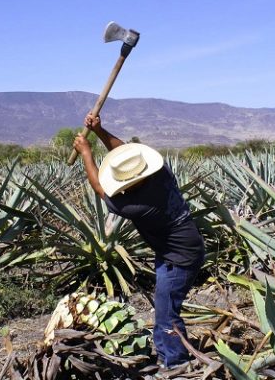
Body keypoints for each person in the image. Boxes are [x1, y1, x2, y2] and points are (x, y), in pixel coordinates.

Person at [73, 114, 206, 369]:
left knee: (167, 315)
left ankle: (175, 366)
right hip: (181, 248)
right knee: (164, 306)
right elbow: (125, 153)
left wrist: (86, 153)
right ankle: (165, 355)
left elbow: (100, 188)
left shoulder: (135, 204)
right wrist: (99, 130)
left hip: (179, 259)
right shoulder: (160, 173)